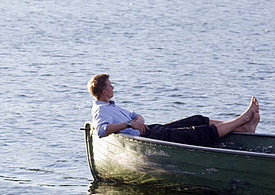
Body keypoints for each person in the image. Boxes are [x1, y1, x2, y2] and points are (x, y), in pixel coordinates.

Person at [87, 73, 260, 146]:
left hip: (152, 129)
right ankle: (242, 121)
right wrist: (128, 124)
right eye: (110, 86)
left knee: (197, 119)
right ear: (104, 92)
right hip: (149, 137)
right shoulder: (101, 110)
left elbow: (135, 115)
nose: (113, 87)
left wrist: (137, 120)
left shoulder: (111, 105)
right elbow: (101, 130)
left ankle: (243, 128)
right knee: (197, 132)